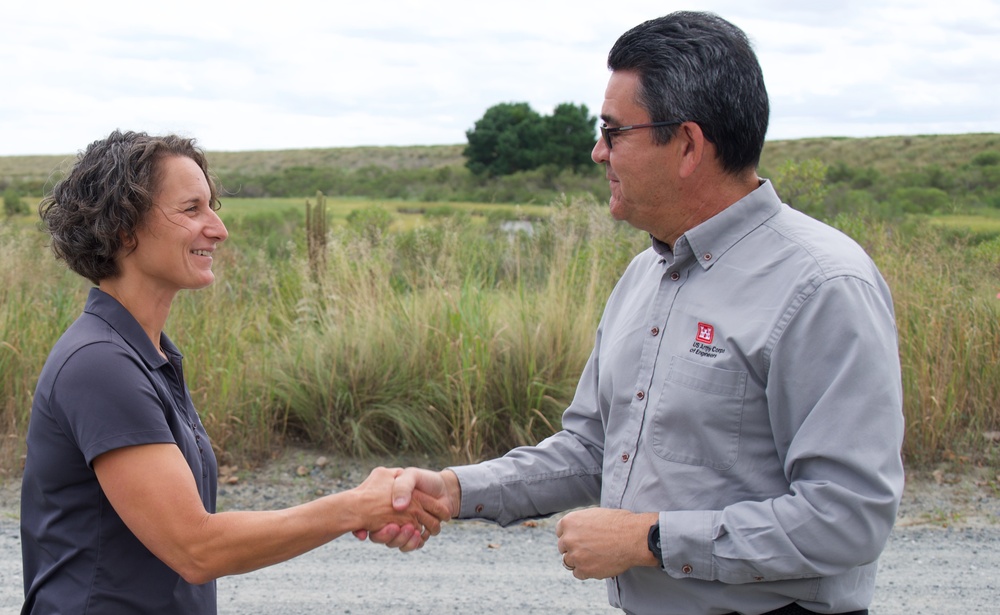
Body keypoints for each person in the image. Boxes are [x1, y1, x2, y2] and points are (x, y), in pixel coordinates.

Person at [374, 11, 904, 615]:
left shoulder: (822, 285)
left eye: (613, 130)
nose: (598, 152)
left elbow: (847, 517)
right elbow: (594, 450)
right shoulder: (644, 276)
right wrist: (452, 489)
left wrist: (649, 540)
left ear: (686, 145)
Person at [20, 130, 446, 614]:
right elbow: (196, 548)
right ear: (124, 228)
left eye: (212, 206)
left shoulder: (145, 355)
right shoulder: (99, 365)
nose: (218, 228)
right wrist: (355, 506)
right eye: (191, 209)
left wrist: (371, 504)